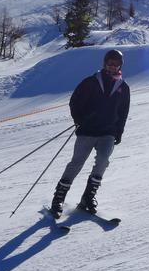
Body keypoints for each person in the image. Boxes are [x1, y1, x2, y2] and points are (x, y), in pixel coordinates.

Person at [50, 49, 130, 217]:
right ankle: (58, 199)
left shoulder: (123, 87)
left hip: (108, 133)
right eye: (109, 62)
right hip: (87, 131)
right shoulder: (91, 82)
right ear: (104, 63)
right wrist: (79, 119)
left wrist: (119, 132)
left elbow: (123, 112)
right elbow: (74, 102)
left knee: (102, 162)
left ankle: (88, 197)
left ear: (120, 66)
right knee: (76, 164)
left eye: (116, 64)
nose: (112, 66)